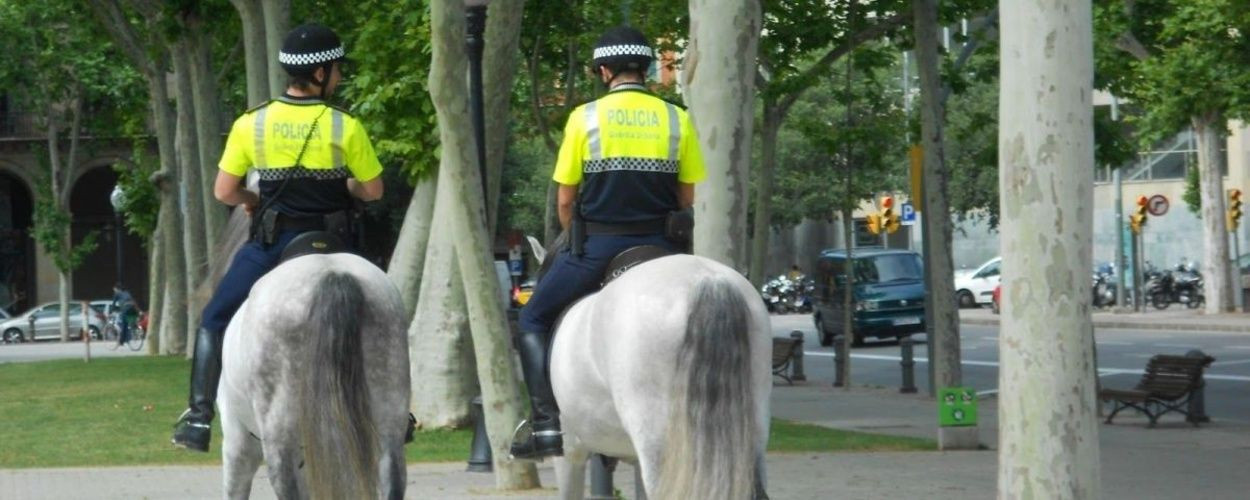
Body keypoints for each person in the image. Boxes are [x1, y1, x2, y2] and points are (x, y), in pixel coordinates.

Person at [171, 23, 385, 452]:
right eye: (337, 69)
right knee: (383, 316)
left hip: (273, 246)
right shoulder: (345, 125)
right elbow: (374, 191)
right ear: (321, 74)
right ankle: (399, 412)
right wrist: (345, 187)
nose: (339, 76)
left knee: (213, 318)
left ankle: (197, 416)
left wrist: (251, 198)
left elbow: (223, 192)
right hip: (337, 243)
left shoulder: (253, 122)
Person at [510, 26, 707, 460]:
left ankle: (544, 424)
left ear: (604, 71)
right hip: (662, 247)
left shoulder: (585, 117)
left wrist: (571, 235)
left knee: (533, 320)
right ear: (645, 68)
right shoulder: (678, 117)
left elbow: (565, 198)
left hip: (597, 246)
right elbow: (687, 197)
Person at [110, 284, 138, 349]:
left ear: (117, 289)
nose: (114, 291)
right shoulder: (127, 292)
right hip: (132, 308)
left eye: (114, 290)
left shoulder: (117, 294)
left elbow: (113, 304)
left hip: (126, 309)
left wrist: (110, 312)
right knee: (130, 322)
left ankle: (121, 342)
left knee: (124, 325)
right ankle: (135, 331)